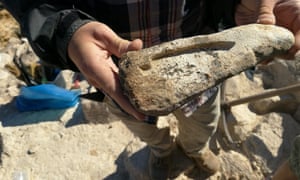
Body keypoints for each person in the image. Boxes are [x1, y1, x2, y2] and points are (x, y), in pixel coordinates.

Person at [2, 0, 300, 179]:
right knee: (141, 125)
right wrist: (66, 29)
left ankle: (194, 150)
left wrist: (236, 7)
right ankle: (163, 151)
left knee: (202, 125)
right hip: (115, 75)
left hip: (203, 69)